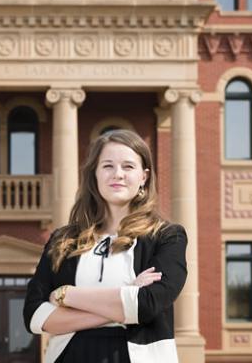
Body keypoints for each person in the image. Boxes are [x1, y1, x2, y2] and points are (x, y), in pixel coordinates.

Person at [23, 129, 187, 363]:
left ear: (144, 176)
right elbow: (34, 316)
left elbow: (146, 305)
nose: (117, 174)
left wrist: (66, 295)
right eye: (108, 166)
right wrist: (127, 294)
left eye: (128, 167)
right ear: (95, 175)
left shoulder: (167, 237)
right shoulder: (63, 240)